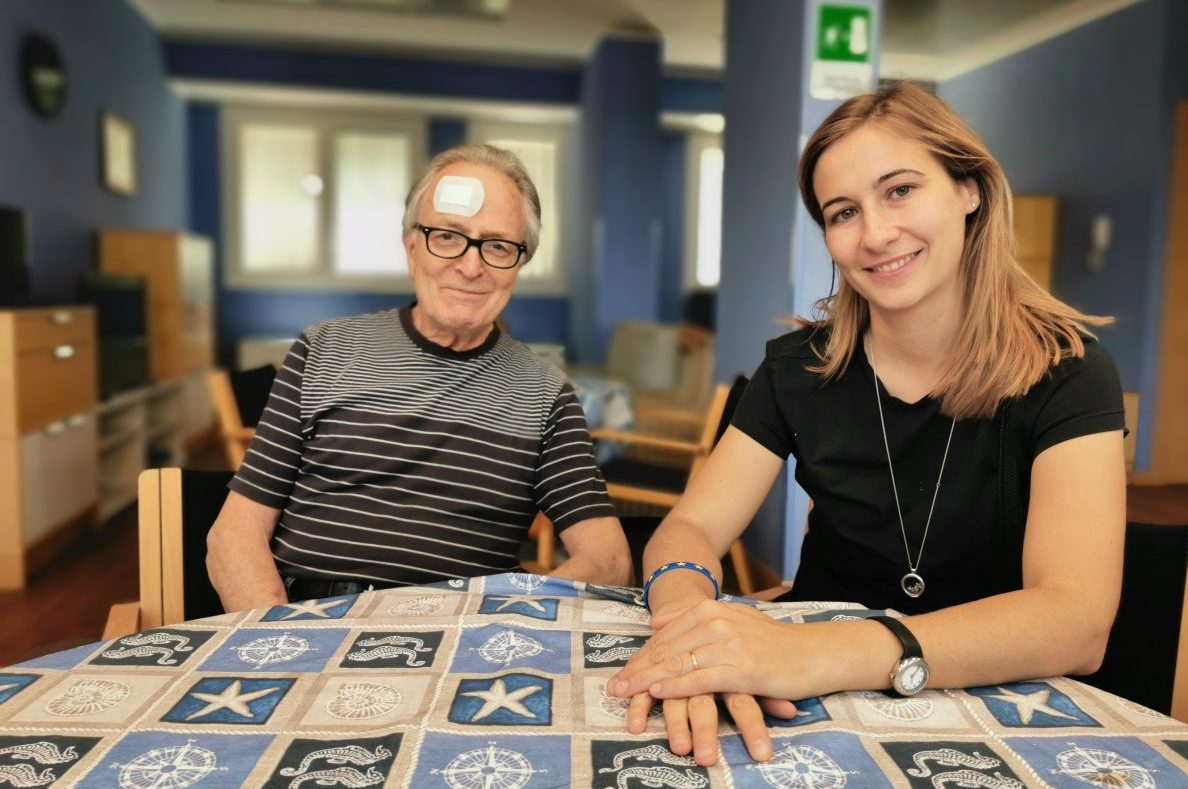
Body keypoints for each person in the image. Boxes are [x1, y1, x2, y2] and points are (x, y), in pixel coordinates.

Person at [607, 82, 1126, 766]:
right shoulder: (799, 370)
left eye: (900, 190)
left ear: (969, 188)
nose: (876, 234)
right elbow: (691, 528)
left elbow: (1075, 620)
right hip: (809, 710)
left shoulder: (1069, 371)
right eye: (843, 211)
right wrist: (687, 630)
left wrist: (816, 651)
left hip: (990, 709)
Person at [207, 143, 632, 612]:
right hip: (305, 617)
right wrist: (280, 638)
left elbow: (608, 560)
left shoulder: (546, 395)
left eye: (497, 246)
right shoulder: (323, 350)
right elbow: (236, 531)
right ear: (412, 249)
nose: (471, 267)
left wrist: (507, 619)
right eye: (447, 237)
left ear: (519, 264)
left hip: (460, 636)